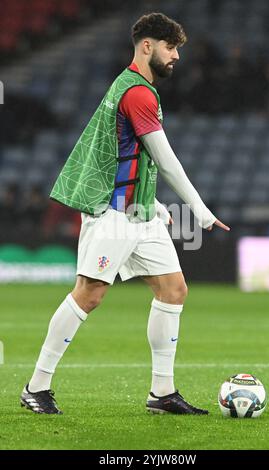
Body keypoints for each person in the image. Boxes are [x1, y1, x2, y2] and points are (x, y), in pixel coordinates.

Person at [20, 12, 230, 415]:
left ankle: (162, 394)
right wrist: (200, 212)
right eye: (171, 48)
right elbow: (166, 161)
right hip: (114, 216)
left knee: (173, 291)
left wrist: (151, 203)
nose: (176, 57)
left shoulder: (136, 89)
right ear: (147, 46)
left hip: (140, 213)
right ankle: (36, 386)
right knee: (90, 294)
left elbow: (127, 154)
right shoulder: (137, 92)